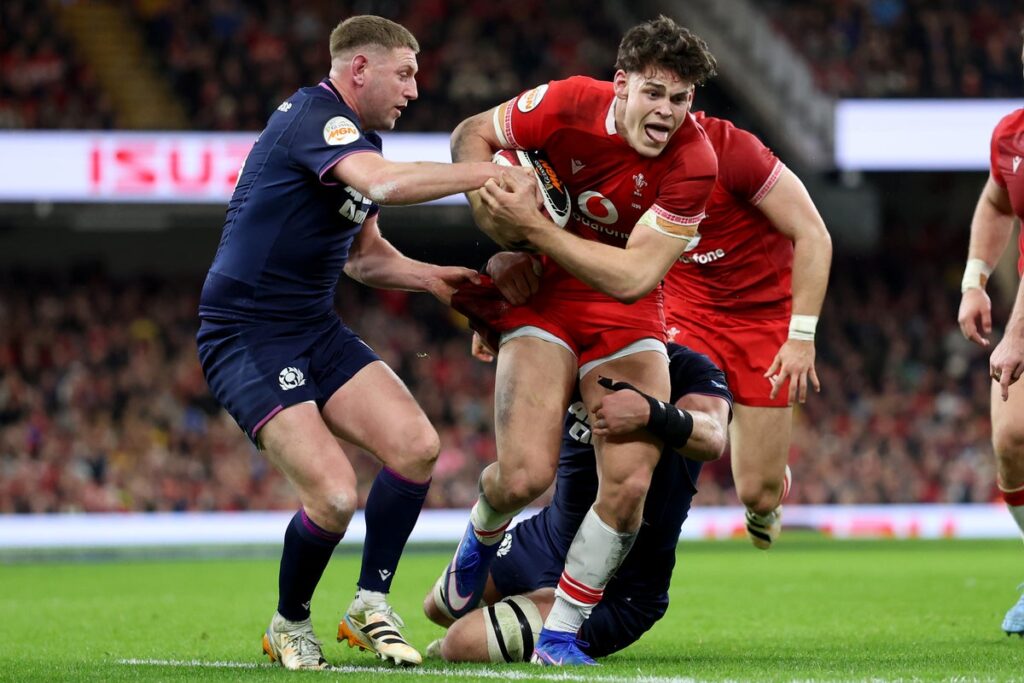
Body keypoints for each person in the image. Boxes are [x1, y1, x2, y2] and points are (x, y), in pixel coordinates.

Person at [195, 16, 518, 670]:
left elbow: (364, 259)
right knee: (335, 496)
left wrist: (434, 279)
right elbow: (389, 184)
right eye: (404, 73)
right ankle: (288, 623)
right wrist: (486, 173)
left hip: (312, 327)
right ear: (359, 69)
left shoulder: (356, 137)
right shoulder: (319, 120)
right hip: (248, 332)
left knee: (417, 446)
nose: (416, 90)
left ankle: (369, 603)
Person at [436, 16, 719, 665]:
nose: (667, 112)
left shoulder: (695, 161)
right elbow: (469, 135)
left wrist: (532, 231)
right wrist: (497, 227)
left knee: (628, 482)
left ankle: (559, 636)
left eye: (681, 100)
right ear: (620, 84)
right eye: (654, 93)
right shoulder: (565, 104)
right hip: (547, 300)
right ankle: (481, 534)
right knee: (524, 474)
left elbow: (634, 277)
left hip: (627, 309)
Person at [424, 332, 732, 662]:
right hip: (546, 538)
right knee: (437, 609)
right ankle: (519, 618)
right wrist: (490, 325)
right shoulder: (577, 346)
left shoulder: (687, 367)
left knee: (460, 643)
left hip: (619, 587)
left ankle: (535, 621)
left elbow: (712, 437)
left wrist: (653, 413)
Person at [662, 112, 832, 549]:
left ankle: (768, 494)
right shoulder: (615, 152)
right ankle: (642, 529)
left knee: (757, 490)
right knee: (674, 409)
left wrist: (801, 337)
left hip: (763, 318)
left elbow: (813, 234)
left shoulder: (734, 150)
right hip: (686, 308)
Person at [957, 37, 1024, 636]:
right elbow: (998, 198)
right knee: (1012, 439)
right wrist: (974, 282)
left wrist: (1018, 332)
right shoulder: (1011, 135)